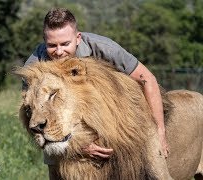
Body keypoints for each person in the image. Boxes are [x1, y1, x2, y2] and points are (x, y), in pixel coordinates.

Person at [25, 7, 168, 179]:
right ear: (44, 42)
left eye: (65, 44)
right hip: (61, 129)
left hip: (113, 120)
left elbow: (148, 79)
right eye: (51, 45)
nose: (59, 51)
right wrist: (79, 147)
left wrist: (159, 130)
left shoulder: (103, 48)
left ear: (78, 38)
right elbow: (31, 114)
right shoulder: (33, 67)